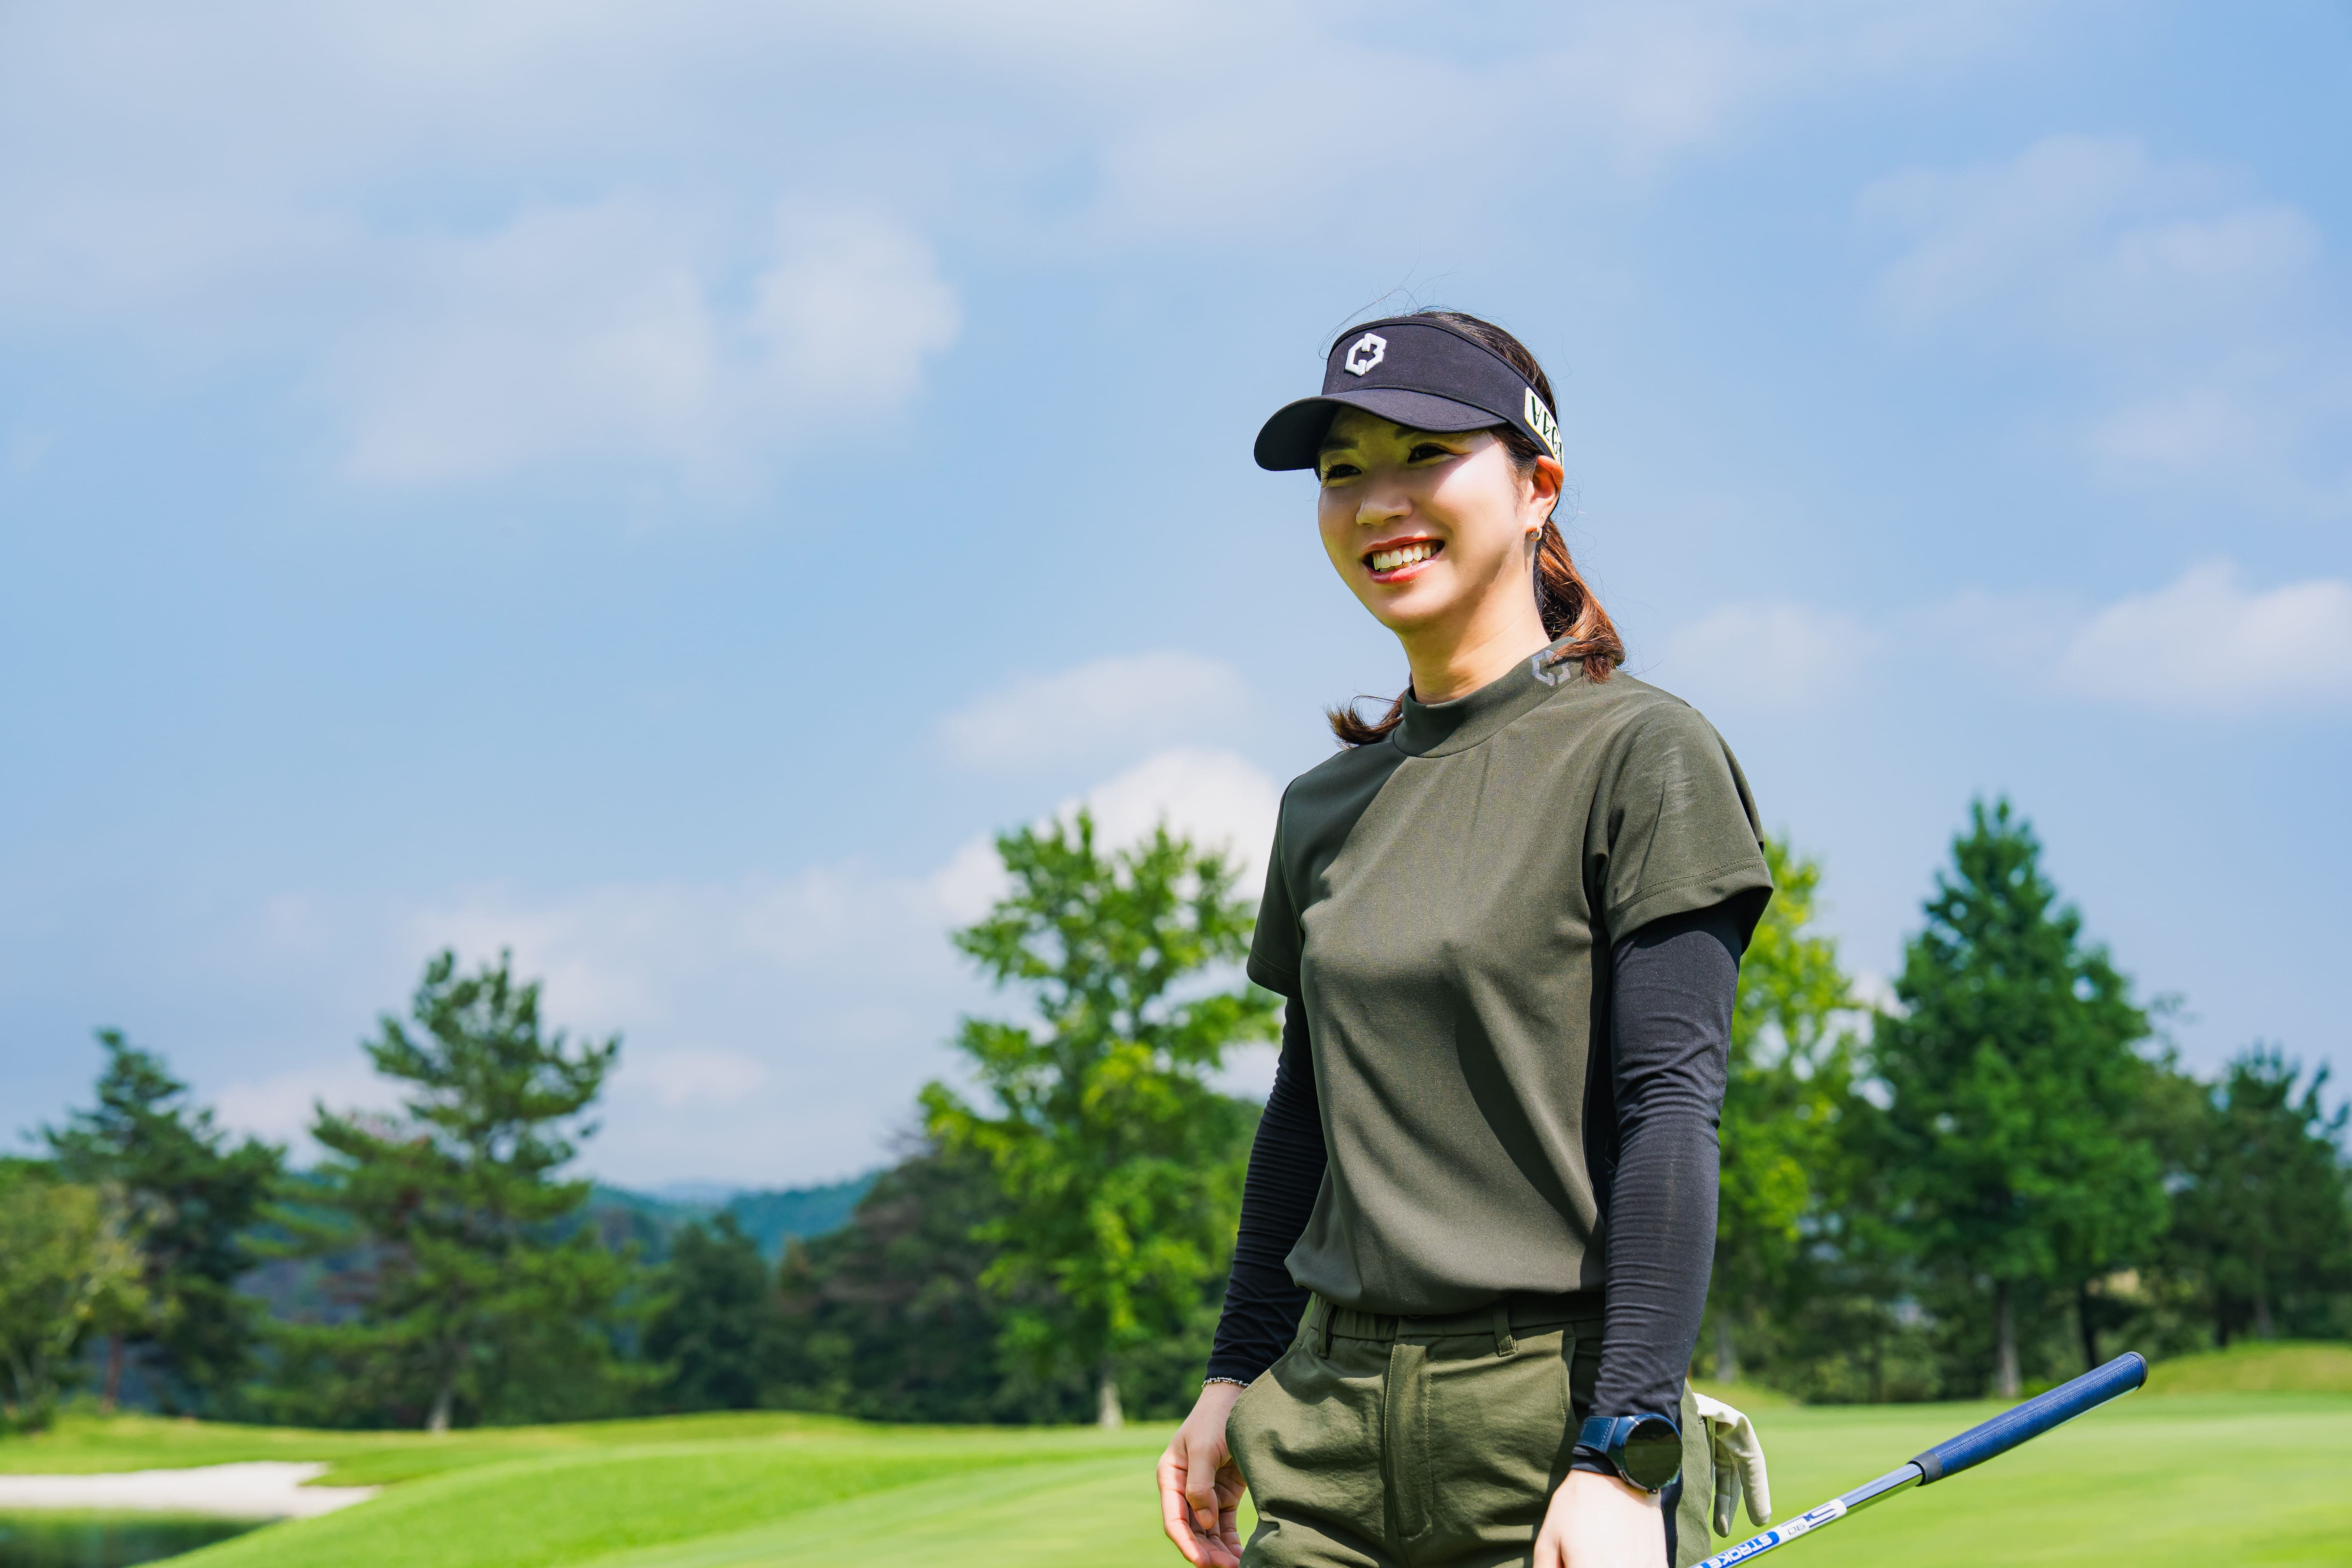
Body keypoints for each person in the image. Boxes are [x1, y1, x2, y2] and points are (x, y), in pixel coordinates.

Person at [1155, 310, 1774, 1568]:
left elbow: (1670, 1111)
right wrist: (1233, 1374)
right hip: (1323, 1423)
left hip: (1548, 1424)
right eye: (1343, 470)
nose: (1377, 501)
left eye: (1425, 454)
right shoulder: (1323, 807)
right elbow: (1307, 1112)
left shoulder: (1644, 754)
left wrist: (1625, 1449)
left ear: (1539, 487)